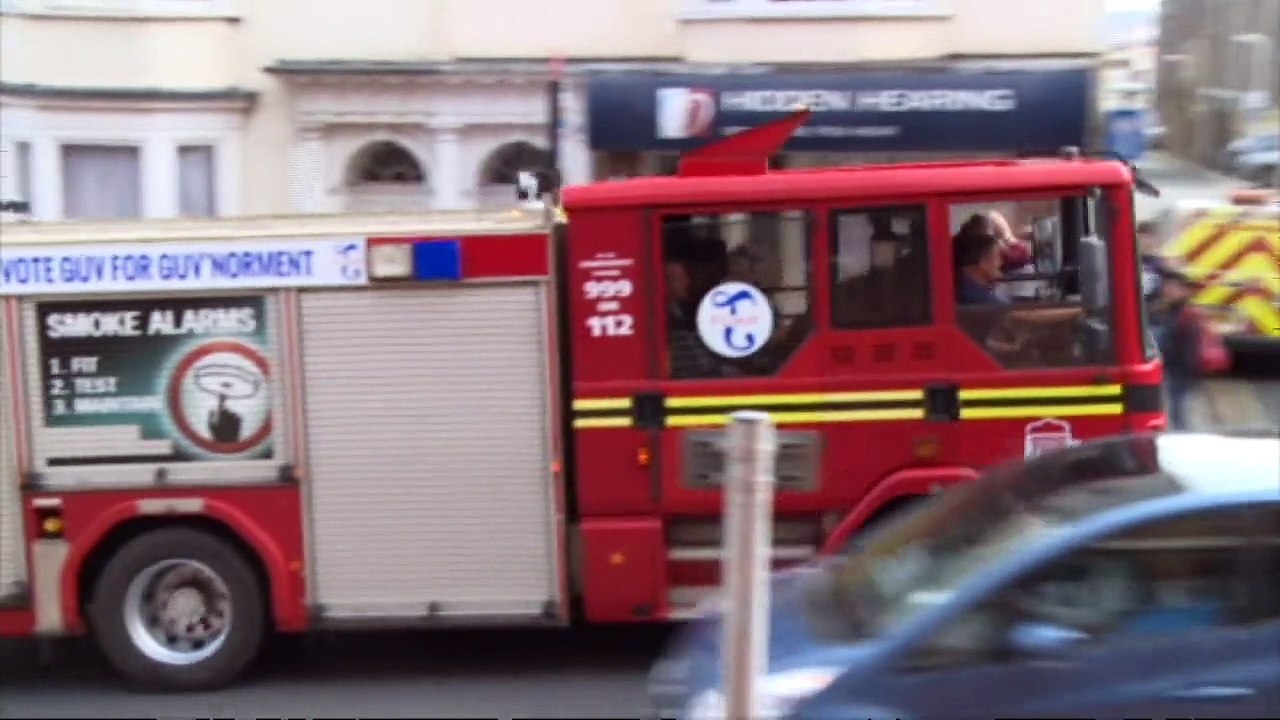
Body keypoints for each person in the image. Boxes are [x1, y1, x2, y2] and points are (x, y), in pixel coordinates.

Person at [1152, 269, 1202, 430]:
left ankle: (1183, 440)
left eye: (1173, 287)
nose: (1167, 290)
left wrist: (1188, 372)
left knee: (1178, 411)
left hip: (1178, 371)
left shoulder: (1187, 314)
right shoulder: (1166, 309)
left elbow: (1190, 347)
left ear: (1185, 291)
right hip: (1171, 369)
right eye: (1166, 286)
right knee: (1175, 409)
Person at [953, 231, 1008, 306]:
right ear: (983, 262)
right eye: (997, 256)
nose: (1001, 262)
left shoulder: (956, 289)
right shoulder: (987, 304)